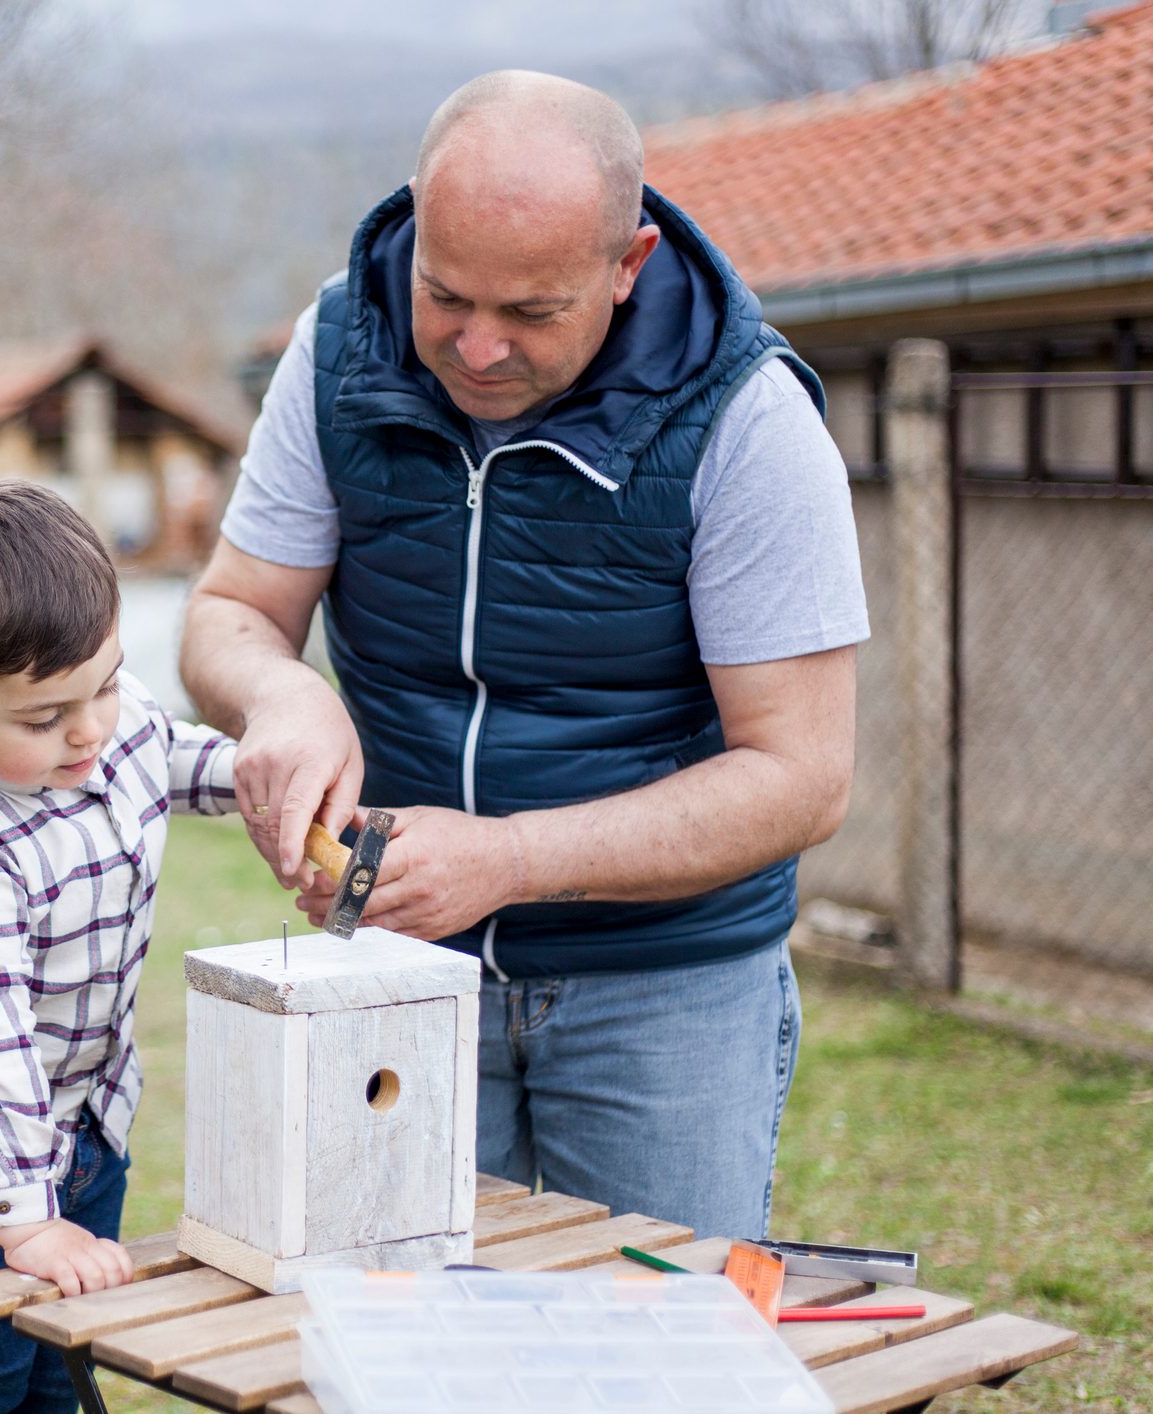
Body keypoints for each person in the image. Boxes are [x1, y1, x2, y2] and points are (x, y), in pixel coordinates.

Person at [180, 70, 868, 1242]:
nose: (478, 346)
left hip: (668, 989)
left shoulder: (750, 420)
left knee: (656, 1356)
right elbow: (230, 610)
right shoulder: (335, 346)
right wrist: (282, 696)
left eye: (533, 313)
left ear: (627, 263)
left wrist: (508, 858)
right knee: (395, 1339)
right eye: (445, 293)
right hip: (398, 966)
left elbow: (803, 777)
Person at [0, 478, 238, 1412]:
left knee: (60, 1370)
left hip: (84, 1121)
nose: (91, 731)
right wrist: (27, 1225)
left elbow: (170, 756)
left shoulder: (100, 715)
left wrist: (261, 780)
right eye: (40, 719)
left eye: (105, 682)